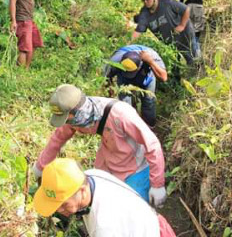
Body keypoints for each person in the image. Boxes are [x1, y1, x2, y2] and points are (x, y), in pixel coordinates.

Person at [33, 84, 167, 207]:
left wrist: (157, 184)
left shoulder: (120, 114)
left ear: (78, 111)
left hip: (135, 168)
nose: (68, 123)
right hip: (107, 164)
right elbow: (57, 139)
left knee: (135, 210)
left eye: (67, 119)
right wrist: (40, 166)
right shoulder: (78, 119)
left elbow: (152, 144)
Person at [33, 158, 176, 237]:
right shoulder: (91, 175)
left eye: (63, 204)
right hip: (150, 222)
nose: (59, 210)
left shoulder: (105, 225)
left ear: (82, 191)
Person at [133, 0, 200, 65]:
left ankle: (201, 70)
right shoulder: (144, 13)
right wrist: (128, 44)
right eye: (143, 0)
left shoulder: (167, 3)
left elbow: (186, 9)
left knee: (194, 56)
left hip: (185, 33)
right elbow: (137, 32)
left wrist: (181, 25)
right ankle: (190, 72)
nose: (145, 2)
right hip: (171, 41)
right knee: (183, 60)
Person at [105, 45, 167, 127]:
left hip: (146, 77)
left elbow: (164, 77)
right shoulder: (114, 62)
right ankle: (129, 128)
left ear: (139, 66)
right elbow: (106, 78)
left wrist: (150, 62)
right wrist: (110, 92)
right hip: (124, 80)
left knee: (149, 102)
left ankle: (149, 128)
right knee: (125, 105)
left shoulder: (151, 56)